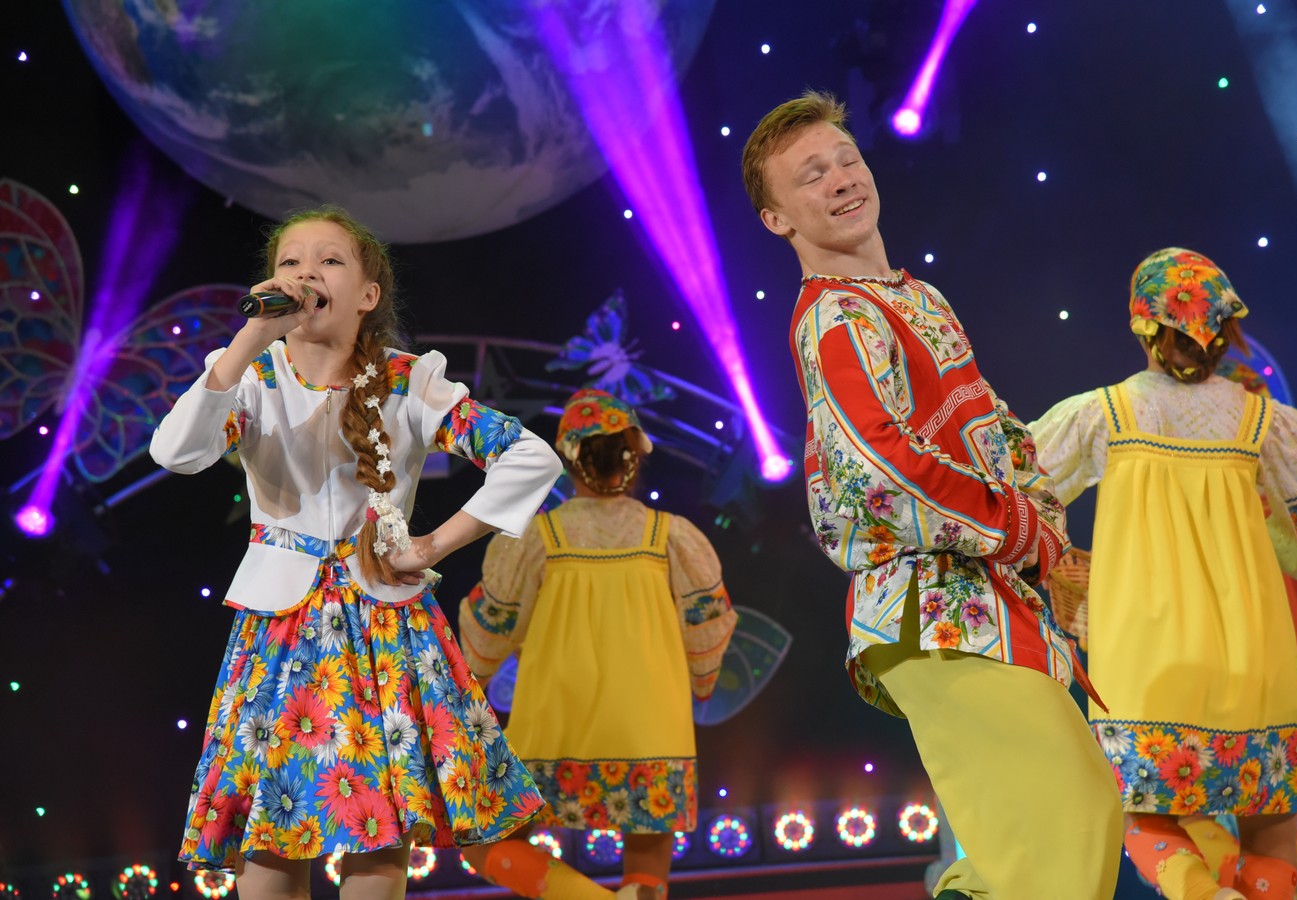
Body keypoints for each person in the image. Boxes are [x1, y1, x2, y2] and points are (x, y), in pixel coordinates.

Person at [741, 91, 1122, 899]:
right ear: (777, 220)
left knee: (1036, 834)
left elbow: (995, 429)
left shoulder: (919, 299)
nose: (841, 179)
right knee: (1069, 819)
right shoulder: (836, 319)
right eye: (811, 176)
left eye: (847, 159)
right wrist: (1016, 525)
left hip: (980, 597)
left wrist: (1043, 530)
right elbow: (878, 467)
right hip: (932, 605)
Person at [149, 206, 562, 900]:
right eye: (290, 262)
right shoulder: (251, 376)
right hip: (281, 627)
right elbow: (176, 452)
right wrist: (249, 339)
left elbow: (531, 456)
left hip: (384, 627)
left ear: (368, 294)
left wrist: (435, 542)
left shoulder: (410, 381)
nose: (305, 273)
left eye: (329, 261)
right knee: (272, 829)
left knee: (379, 827)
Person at [1029, 247, 1297, 899]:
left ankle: (1203, 894)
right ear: (1227, 329)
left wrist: (1058, 565)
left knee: (1146, 812)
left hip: (1147, 662)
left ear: (1141, 324)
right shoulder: (1265, 424)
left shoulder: (1104, 414)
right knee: (1269, 822)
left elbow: (1012, 500)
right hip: (1254, 658)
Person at [456, 388, 739, 900]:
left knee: (482, 841)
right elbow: (709, 622)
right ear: (634, 456)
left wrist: (473, 680)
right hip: (652, 726)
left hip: (555, 723)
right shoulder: (671, 536)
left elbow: (491, 625)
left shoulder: (537, 538)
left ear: (570, 459)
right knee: (648, 860)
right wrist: (702, 681)